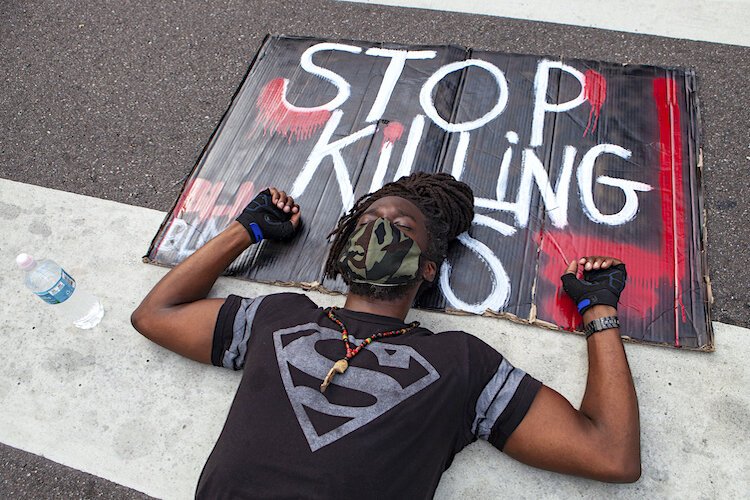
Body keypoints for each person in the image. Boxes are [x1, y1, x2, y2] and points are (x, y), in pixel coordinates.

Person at [131, 172, 640, 499]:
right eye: (371, 220)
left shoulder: (460, 361)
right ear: (342, 247)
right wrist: (246, 229)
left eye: (403, 227)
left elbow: (610, 454)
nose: (383, 228)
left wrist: (598, 310)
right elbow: (156, 314)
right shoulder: (282, 316)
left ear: (427, 270)